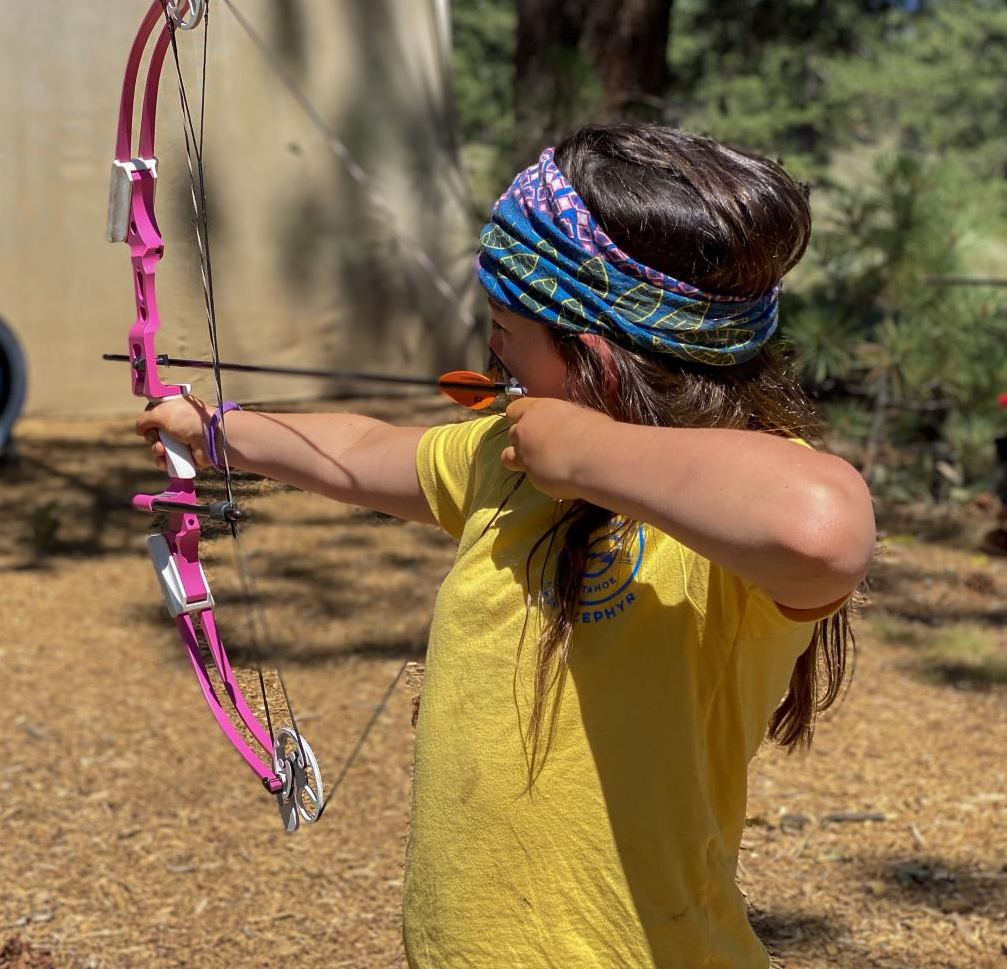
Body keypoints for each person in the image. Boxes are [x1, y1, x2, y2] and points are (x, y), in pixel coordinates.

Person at [136, 123, 876, 968]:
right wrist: (218, 431)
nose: (490, 348)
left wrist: (590, 454)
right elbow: (364, 452)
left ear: (594, 351)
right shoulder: (511, 460)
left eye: (506, 327)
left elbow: (825, 529)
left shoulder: (725, 525)